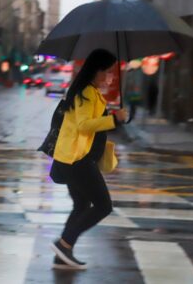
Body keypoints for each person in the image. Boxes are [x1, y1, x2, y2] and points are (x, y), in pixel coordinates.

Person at [50, 49, 127, 269]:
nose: (110, 77)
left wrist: (114, 116)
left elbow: (89, 122)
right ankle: (64, 244)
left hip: (73, 157)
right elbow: (84, 125)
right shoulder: (86, 92)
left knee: (82, 204)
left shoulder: (90, 92)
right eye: (108, 71)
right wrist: (113, 119)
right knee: (103, 206)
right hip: (78, 159)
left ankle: (62, 255)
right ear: (97, 71)